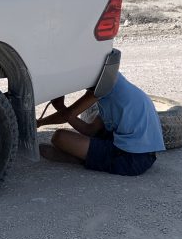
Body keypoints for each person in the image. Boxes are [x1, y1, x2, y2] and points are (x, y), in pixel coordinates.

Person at [36, 73, 164, 176]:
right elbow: (91, 130)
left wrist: (42, 120)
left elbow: (68, 114)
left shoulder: (103, 88)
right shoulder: (116, 86)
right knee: (54, 145)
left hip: (131, 159)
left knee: (59, 137)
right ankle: (89, 158)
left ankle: (83, 160)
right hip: (146, 156)